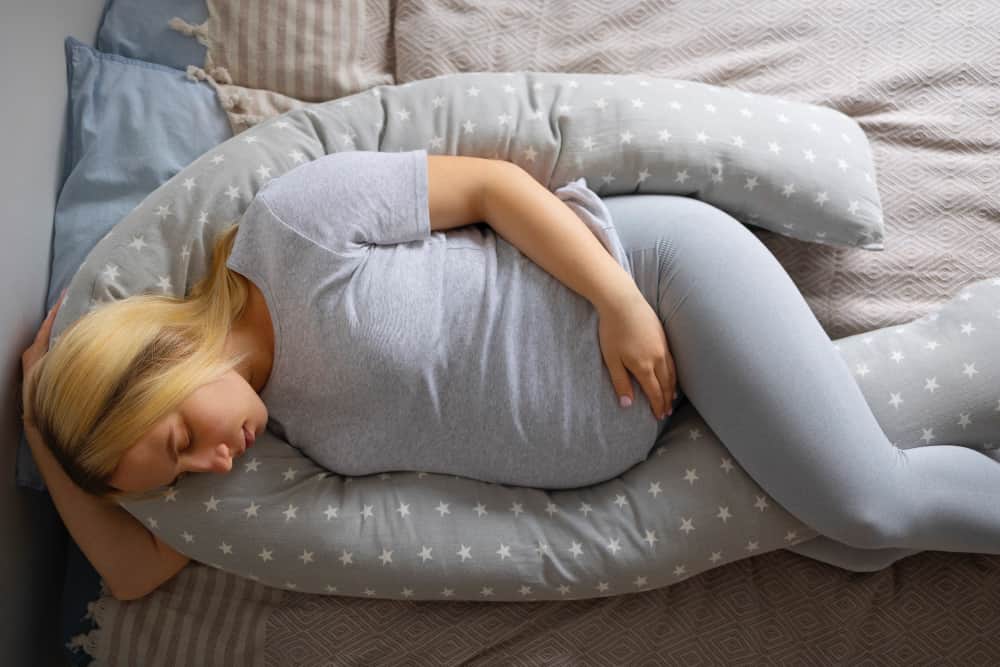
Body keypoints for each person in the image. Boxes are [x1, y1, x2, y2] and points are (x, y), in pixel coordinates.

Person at [19, 151, 1000, 602]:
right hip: (667, 412)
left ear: (161, 359)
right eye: (184, 474)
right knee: (850, 550)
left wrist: (618, 299)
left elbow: (491, 186)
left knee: (869, 508)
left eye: (180, 439)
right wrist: (39, 428)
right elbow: (136, 573)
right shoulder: (280, 437)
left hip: (658, 281)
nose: (213, 465)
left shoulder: (292, 232)